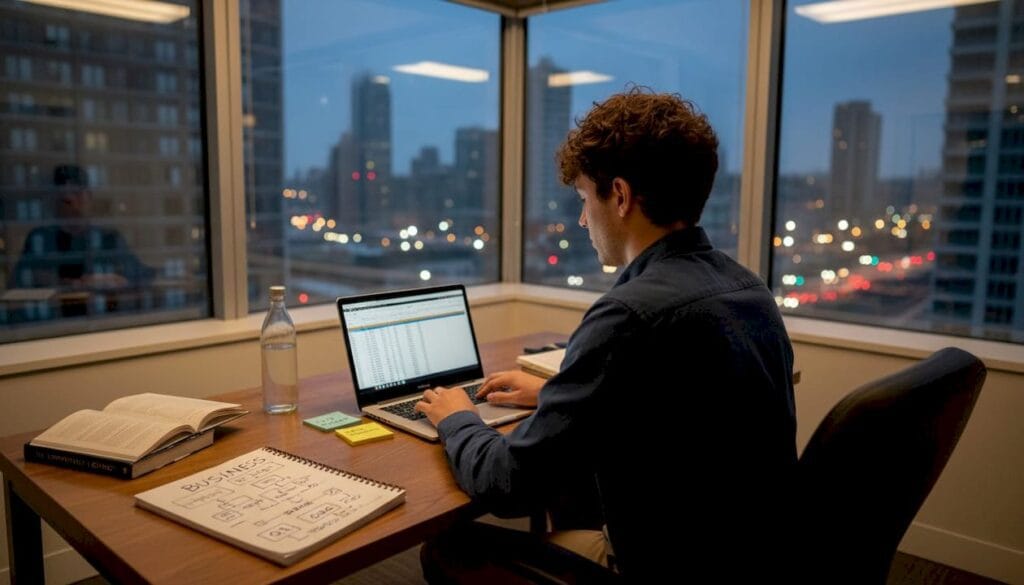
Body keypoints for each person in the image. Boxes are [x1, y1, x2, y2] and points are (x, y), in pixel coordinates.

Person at [415, 87, 797, 582]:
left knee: (449, 549)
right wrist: (556, 395)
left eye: (582, 198)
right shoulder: (749, 290)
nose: (581, 218)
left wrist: (458, 420)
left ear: (618, 196)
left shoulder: (628, 315)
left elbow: (507, 486)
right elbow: (680, 410)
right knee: (575, 485)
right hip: (752, 557)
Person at [9, 165, 155, 317]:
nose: (70, 200)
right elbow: (18, 287)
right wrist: (63, 283)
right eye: (63, 196)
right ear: (54, 200)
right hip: (52, 327)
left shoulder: (109, 238)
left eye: (77, 193)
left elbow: (141, 276)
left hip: (105, 326)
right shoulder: (40, 240)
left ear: (89, 197)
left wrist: (116, 280)